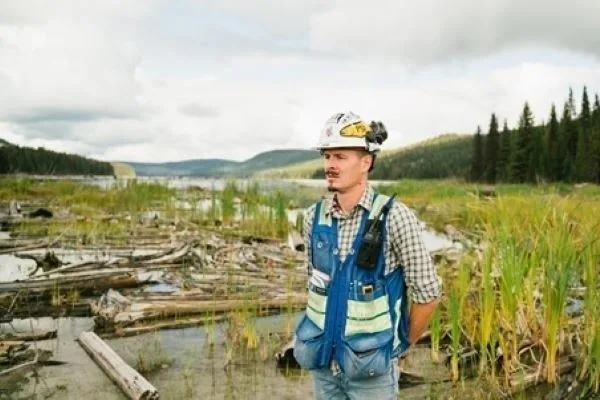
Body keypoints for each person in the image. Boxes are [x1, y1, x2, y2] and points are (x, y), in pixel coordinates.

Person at [293, 112, 442, 399]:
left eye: (340, 156)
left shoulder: (396, 217)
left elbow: (428, 294)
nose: (330, 165)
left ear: (366, 162)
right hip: (323, 367)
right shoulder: (313, 217)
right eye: (327, 156)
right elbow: (312, 285)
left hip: (372, 376)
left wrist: (401, 346)